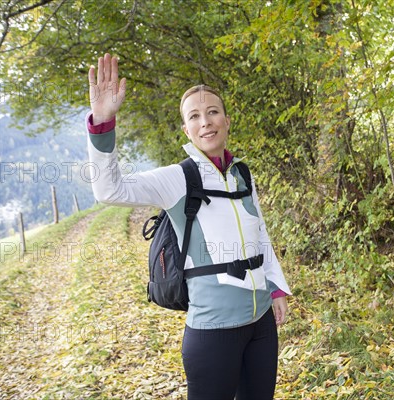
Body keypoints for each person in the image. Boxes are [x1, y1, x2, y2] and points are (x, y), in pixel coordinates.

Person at [86, 52, 291, 400]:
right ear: (186, 129)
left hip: (261, 325)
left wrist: (276, 286)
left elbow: (260, 232)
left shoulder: (242, 172)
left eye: (212, 112)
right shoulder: (177, 178)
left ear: (227, 120)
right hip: (213, 331)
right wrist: (103, 125)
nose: (205, 122)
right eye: (194, 116)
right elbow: (109, 190)